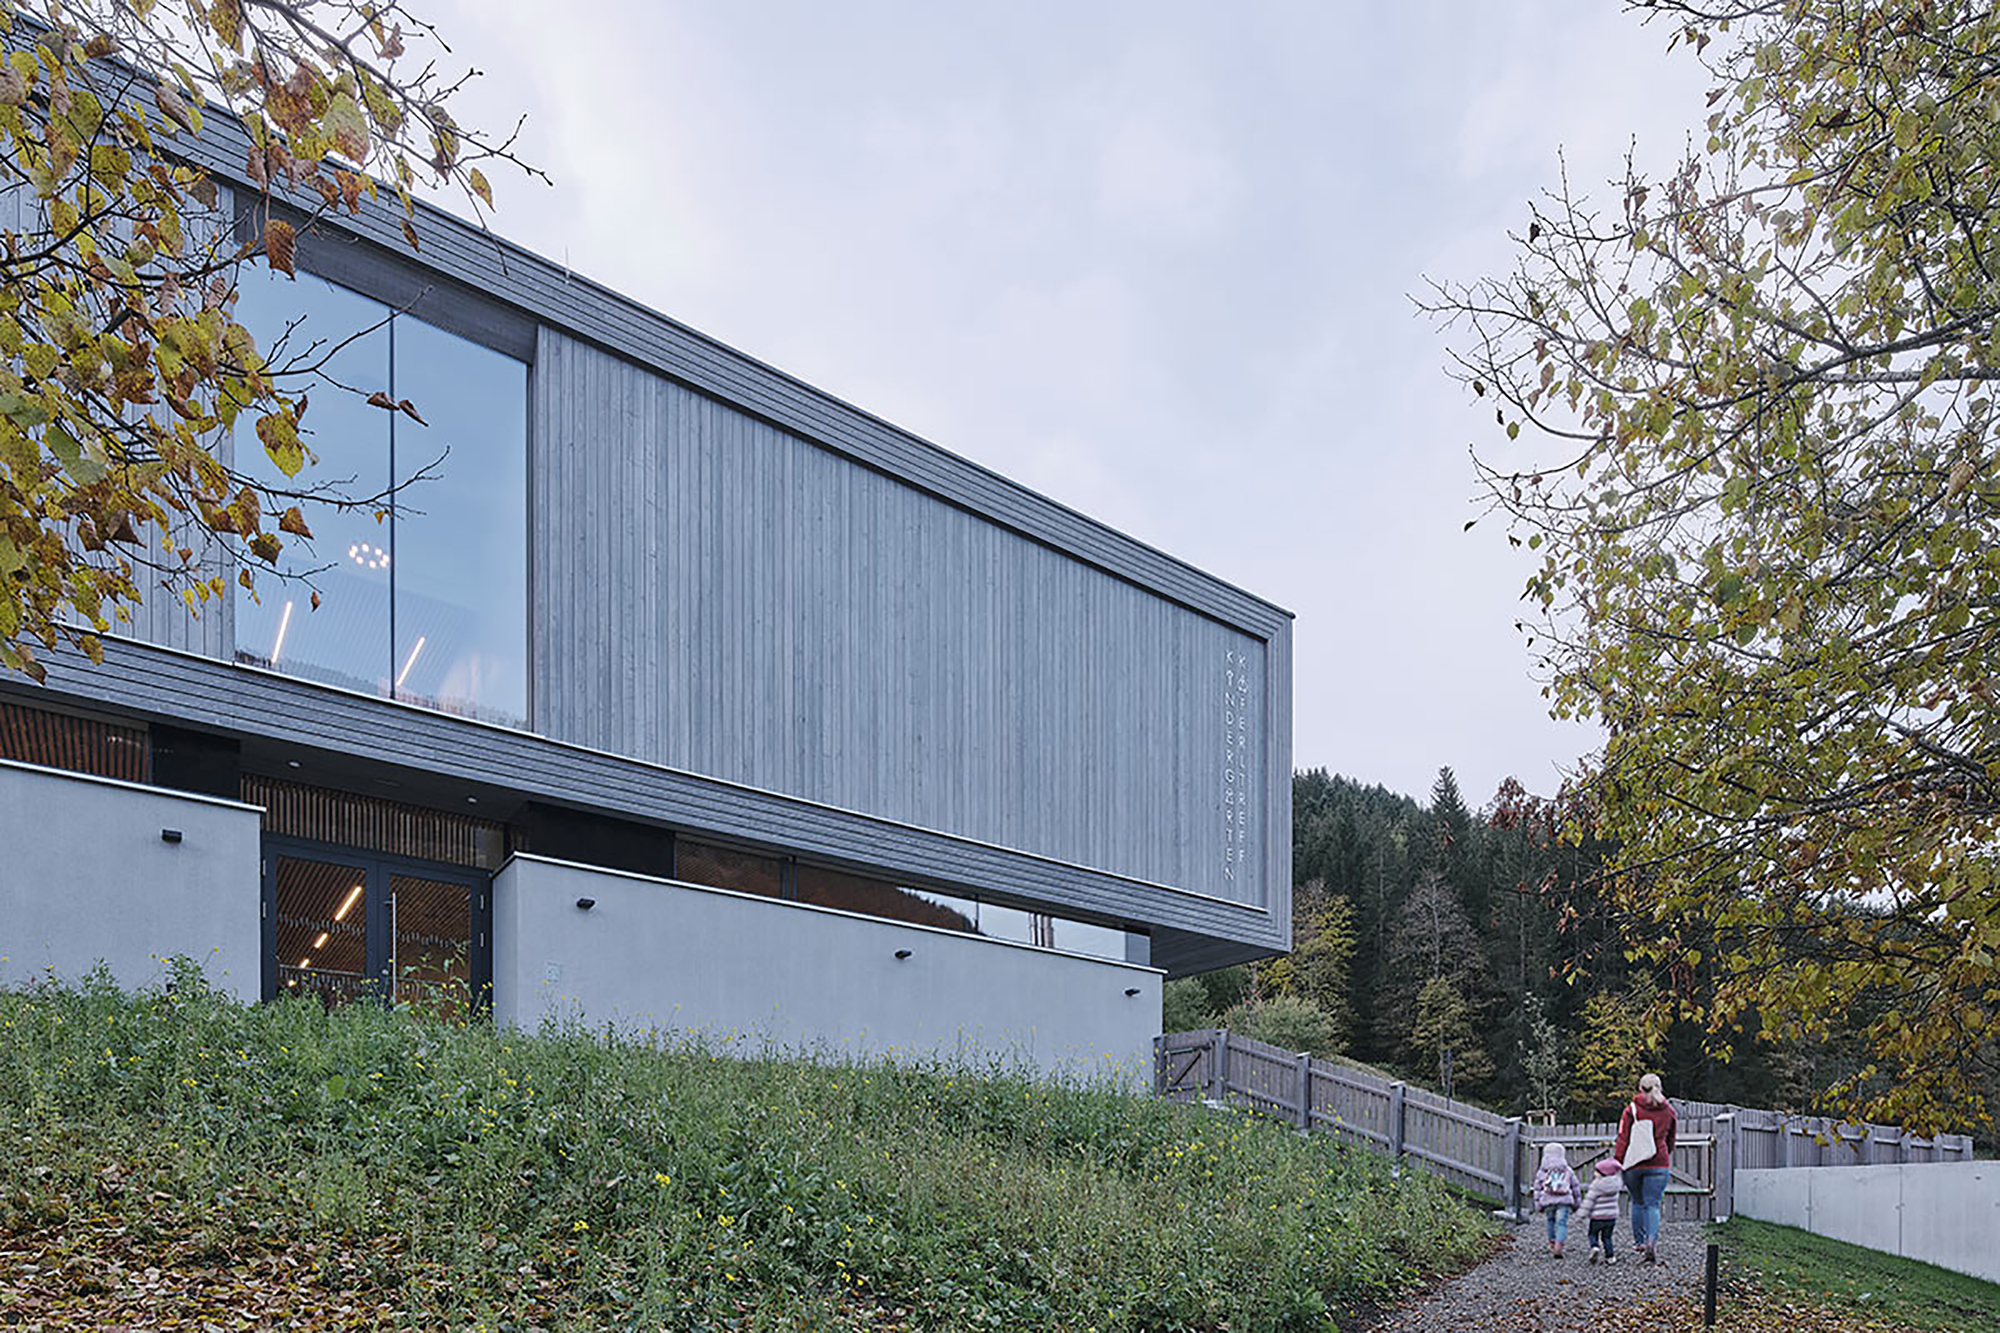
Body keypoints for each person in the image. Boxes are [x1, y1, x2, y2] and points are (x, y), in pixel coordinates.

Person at [1614, 1071, 1677, 1263]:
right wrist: (1665, 1153)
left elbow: (1623, 1137)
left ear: (1640, 1088)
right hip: (1659, 1162)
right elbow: (1671, 1139)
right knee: (1653, 1204)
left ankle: (1639, 1242)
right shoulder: (1669, 1111)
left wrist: (1618, 1160)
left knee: (1638, 1202)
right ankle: (1651, 1241)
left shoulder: (1631, 1110)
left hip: (1634, 1163)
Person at [1532, 1141, 1582, 1257]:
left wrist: (1538, 1204)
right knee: (1561, 1223)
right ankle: (1559, 1245)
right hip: (1564, 1201)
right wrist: (1577, 1204)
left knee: (1550, 1221)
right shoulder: (1567, 1170)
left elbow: (1537, 1188)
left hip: (1548, 1201)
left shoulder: (1542, 1171)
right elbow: (1575, 1187)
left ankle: (1552, 1243)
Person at [1578, 1157, 1623, 1263]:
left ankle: (1594, 1247)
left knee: (1592, 1234)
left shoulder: (1596, 1185)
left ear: (1603, 1173)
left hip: (1597, 1217)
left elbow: (1589, 1201)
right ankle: (1610, 1257)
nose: (1594, 1173)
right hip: (1611, 1217)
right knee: (1607, 1237)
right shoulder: (1616, 1183)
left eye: (1597, 1171)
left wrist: (1581, 1214)